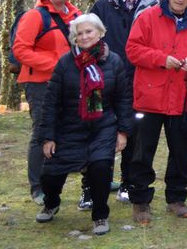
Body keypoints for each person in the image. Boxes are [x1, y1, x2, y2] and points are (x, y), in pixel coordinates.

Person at [125, 0, 187, 223]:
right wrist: (161, 59)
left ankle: (176, 199)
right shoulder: (148, 17)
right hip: (149, 96)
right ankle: (141, 201)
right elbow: (132, 50)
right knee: (143, 152)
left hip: (183, 99)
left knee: (180, 153)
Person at [35, 14, 133, 236]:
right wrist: (48, 137)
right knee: (50, 175)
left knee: (100, 168)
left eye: (89, 31)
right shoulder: (65, 63)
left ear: (100, 33)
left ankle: (100, 216)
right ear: (74, 39)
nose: (84, 36)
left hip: (103, 126)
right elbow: (51, 103)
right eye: (79, 34)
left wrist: (123, 132)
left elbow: (124, 100)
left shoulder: (114, 61)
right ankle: (51, 202)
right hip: (69, 127)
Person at [89, 0, 159, 204]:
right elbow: (88, 39)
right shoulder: (102, 7)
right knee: (99, 133)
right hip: (105, 81)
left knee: (135, 135)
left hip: (141, 81)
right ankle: (92, 188)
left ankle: (128, 184)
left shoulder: (155, 7)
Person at [13, 0, 82, 205]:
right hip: (40, 83)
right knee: (42, 133)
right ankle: (37, 188)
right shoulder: (35, 16)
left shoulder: (76, 15)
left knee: (69, 128)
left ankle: (71, 176)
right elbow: (20, 50)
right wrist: (56, 66)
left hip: (70, 83)